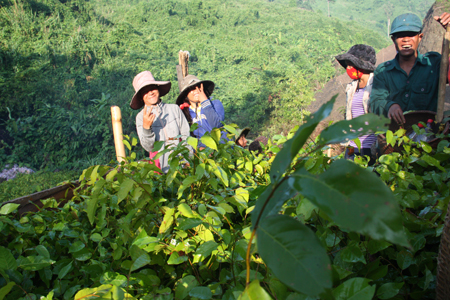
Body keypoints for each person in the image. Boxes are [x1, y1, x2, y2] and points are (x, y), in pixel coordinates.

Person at [369, 12, 450, 124]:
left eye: (411, 34)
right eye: (401, 35)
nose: (406, 39)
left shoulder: (434, 64)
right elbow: (375, 101)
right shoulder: (383, 71)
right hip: (396, 137)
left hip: (430, 136)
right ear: (393, 40)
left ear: (420, 37)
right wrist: (389, 106)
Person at [131, 71, 190, 173]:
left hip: (182, 163)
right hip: (161, 169)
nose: (150, 93)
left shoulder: (174, 109)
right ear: (141, 96)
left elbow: (186, 136)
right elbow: (149, 147)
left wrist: (189, 157)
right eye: (145, 91)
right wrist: (146, 128)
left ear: (158, 88)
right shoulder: (141, 117)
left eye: (152, 88)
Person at [335, 44, 378, 164]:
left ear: (362, 65)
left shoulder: (377, 86)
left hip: (369, 147)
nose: (348, 68)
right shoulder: (351, 88)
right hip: (352, 147)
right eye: (347, 65)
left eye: (351, 64)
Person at [176, 75, 225, 147]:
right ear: (186, 94)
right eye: (192, 89)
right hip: (200, 153)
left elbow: (216, 125)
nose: (196, 91)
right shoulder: (184, 113)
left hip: (221, 148)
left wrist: (205, 102)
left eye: (198, 87)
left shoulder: (215, 104)